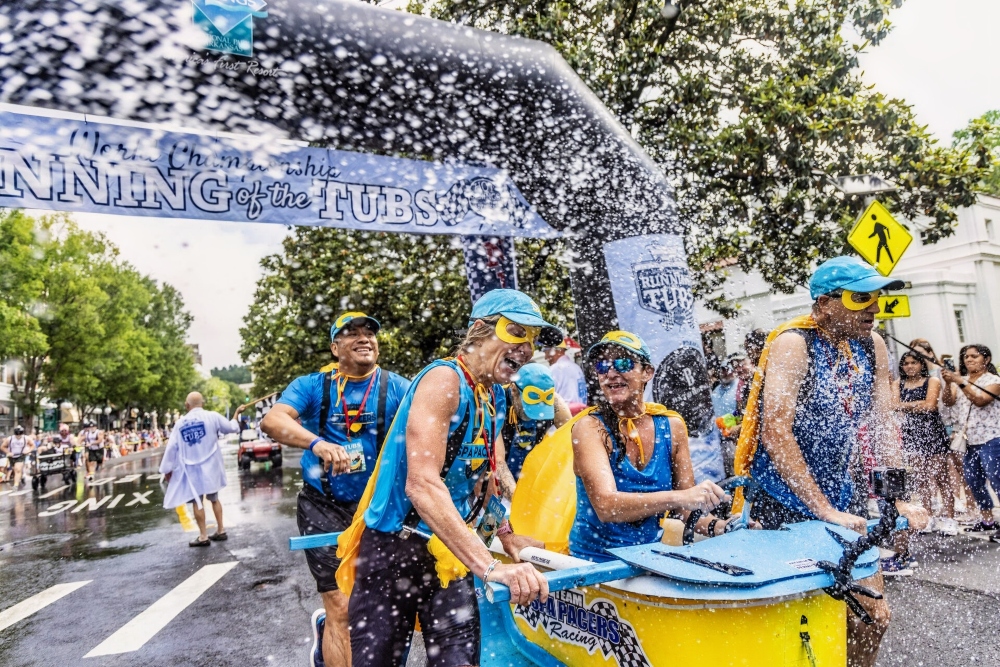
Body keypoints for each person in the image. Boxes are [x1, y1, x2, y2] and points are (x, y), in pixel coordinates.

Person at [342, 289, 561, 667]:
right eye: (516, 333)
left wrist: (507, 536)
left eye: (532, 339)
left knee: (459, 661)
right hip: (395, 551)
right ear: (480, 330)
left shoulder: (493, 395)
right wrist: (490, 567)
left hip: (449, 552)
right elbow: (422, 484)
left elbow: (485, 478)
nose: (526, 348)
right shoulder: (444, 380)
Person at [734, 256, 928, 667]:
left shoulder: (872, 344)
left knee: (872, 617)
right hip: (780, 501)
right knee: (796, 623)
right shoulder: (794, 343)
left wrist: (896, 499)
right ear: (824, 305)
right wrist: (821, 509)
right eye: (861, 298)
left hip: (842, 496)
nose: (874, 308)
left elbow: (880, 424)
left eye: (876, 297)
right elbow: (776, 431)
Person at [261, 311, 410, 667]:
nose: (363, 338)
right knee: (341, 605)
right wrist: (317, 444)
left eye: (369, 333)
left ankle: (334, 633)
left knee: (386, 604)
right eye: (351, 333)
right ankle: (332, 629)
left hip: (378, 506)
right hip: (323, 506)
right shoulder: (313, 386)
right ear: (334, 347)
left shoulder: (398, 387)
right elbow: (272, 420)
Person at [569, 331, 743, 562]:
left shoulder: (672, 425)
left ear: (647, 373)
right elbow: (607, 506)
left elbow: (685, 511)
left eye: (623, 362)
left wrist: (725, 526)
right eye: (602, 366)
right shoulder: (589, 428)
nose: (611, 373)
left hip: (647, 557)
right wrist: (681, 498)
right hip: (594, 564)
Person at [160, 392, 242, 547]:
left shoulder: (180, 423)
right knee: (214, 499)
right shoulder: (212, 416)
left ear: (187, 405)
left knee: (197, 502)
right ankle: (221, 529)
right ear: (202, 403)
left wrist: (167, 469)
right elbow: (231, 428)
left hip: (191, 471)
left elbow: (171, 448)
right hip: (211, 467)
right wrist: (236, 414)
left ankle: (203, 536)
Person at [893, 352, 957, 535]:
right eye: (906, 363)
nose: (910, 366)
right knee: (921, 478)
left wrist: (908, 405)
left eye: (914, 362)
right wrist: (918, 404)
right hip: (912, 434)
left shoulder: (932, 381)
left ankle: (949, 518)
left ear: (921, 364)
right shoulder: (898, 384)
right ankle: (928, 516)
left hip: (933, 433)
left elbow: (930, 406)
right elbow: (893, 405)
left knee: (940, 477)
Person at [941, 344, 1000, 541]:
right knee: (974, 481)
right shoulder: (961, 380)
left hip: (992, 438)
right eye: (966, 357)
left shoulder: (993, 381)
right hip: (969, 440)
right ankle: (987, 520)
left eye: (974, 356)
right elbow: (948, 401)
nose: (969, 360)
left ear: (986, 359)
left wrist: (958, 380)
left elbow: (981, 400)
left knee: (997, 479)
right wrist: (949, 383)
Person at [496, 362, 572, 497]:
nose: (534, 415)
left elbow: (574, 444)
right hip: (496, 480)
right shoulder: (498, 402)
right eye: (529, 408)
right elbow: (498, 461)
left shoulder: (555, 403)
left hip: (530, 473)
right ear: (514, 390)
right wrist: (518, 501)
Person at [543, 336, 588, 408]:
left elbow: (546, 400)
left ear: (558, 350)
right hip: (581, 414)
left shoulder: (556, 368)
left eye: (546, 351)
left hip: (566, 415)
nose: (545, 357)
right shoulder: (575, 367)